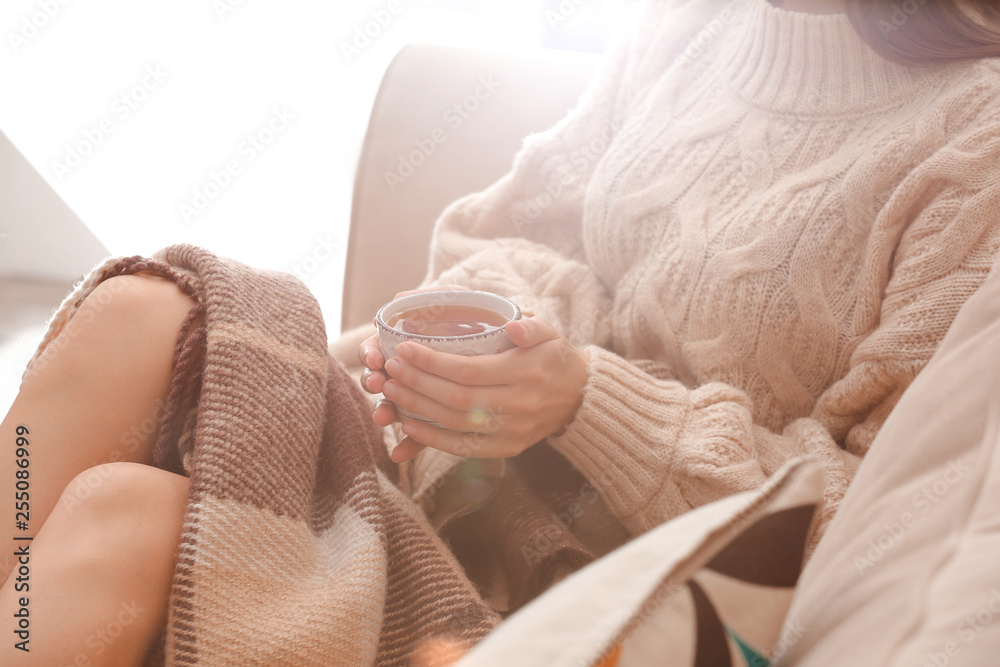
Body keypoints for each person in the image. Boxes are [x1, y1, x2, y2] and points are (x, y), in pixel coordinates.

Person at [2, 0, 1000, 664]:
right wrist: (515, 356)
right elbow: (495, 237)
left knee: (126, 521)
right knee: (141, 312)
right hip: (445, 474)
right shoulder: (695, 22)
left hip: (565, 588)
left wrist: (585, 400)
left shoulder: (975, 141)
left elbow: (880, 520)